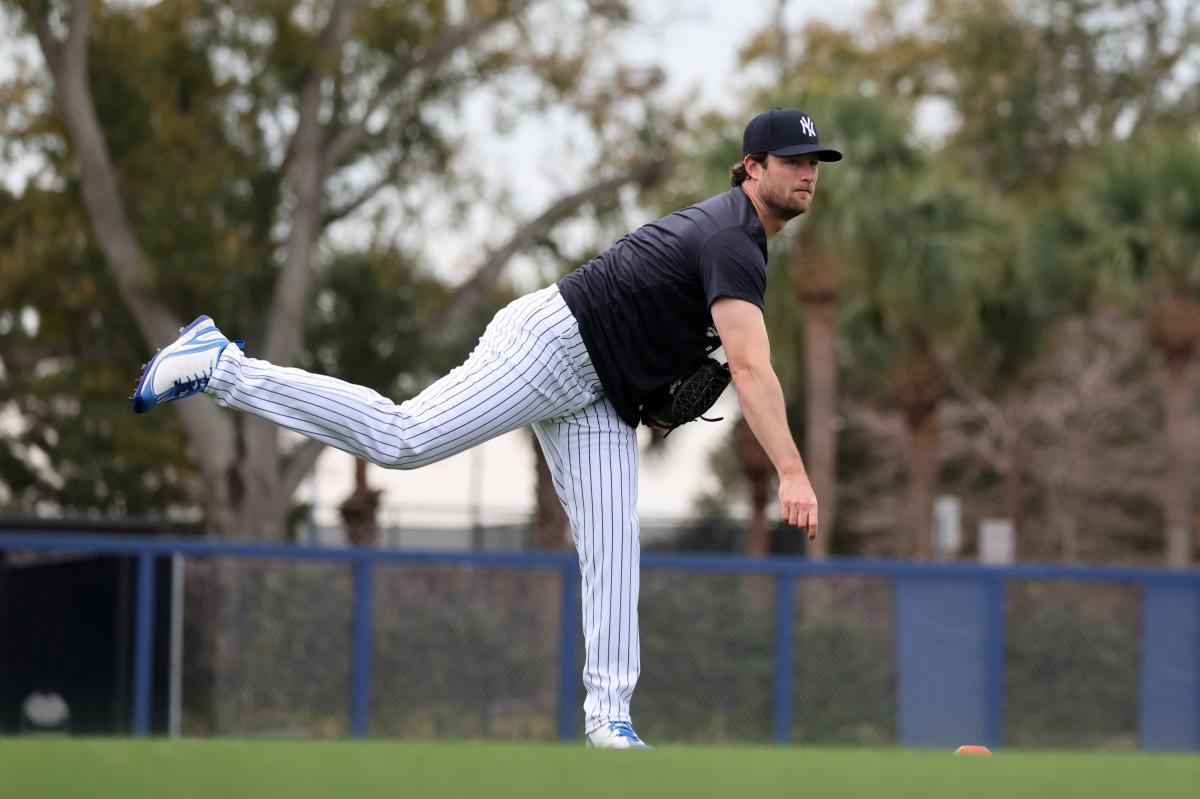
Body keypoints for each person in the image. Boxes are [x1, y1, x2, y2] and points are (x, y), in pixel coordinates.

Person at [131, 107, 838, 749]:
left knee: (614, 539)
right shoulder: (731, 237)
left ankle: (609, 720)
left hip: (599, 393)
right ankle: (220, 365)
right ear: (752, 167)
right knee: (403, 439)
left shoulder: (740, 241)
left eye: (814, 162)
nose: (806, 172)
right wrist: (794, 470)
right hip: (552, 344)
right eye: (792, 160)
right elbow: (750, 368)